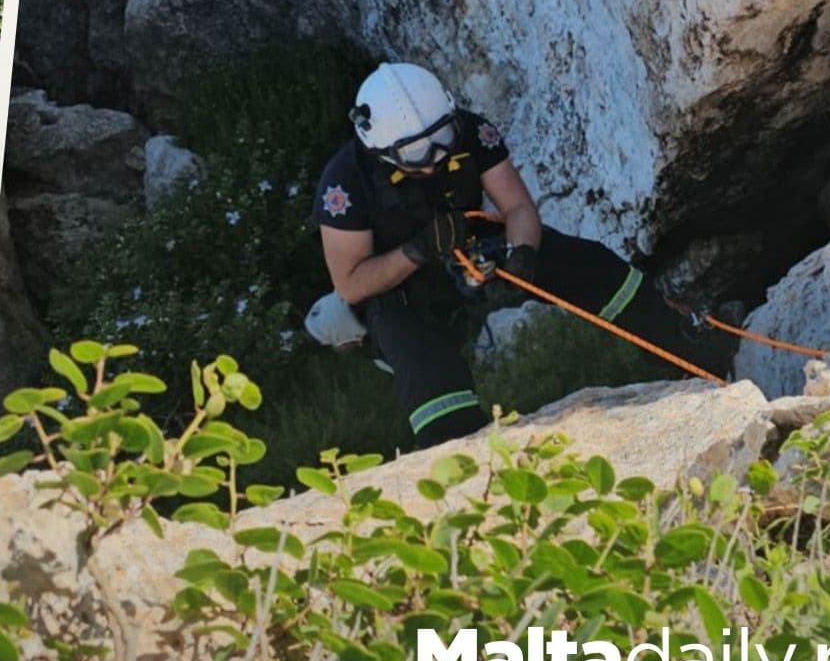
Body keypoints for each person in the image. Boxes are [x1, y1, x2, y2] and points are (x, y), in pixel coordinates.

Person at [312, 62, 729, 448]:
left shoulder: (471, 133)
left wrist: (523, 255)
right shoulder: (345, 185)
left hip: (474, 246)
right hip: (400, 287)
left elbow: (517, 208)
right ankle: (468, 477)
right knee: (437, 396)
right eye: (417, 154)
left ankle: (686, 347)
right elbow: (350, 282)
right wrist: (417, 250)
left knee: (591, 266)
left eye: (442, 140)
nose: (436, 158)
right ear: (382, 148)